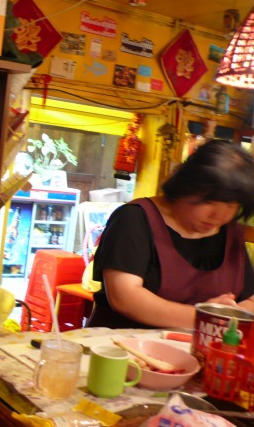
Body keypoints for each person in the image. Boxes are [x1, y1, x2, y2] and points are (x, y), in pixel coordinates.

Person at [87, 139, 254, 330]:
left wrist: (231, 316)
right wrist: (206, 317)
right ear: (185, 185)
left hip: (197, 347)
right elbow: (124, 297)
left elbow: (250, 300)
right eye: (209, 201)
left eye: (231, 205)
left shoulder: (230, 233)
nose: (219, 215)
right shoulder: (134, 218)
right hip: (121, 344)